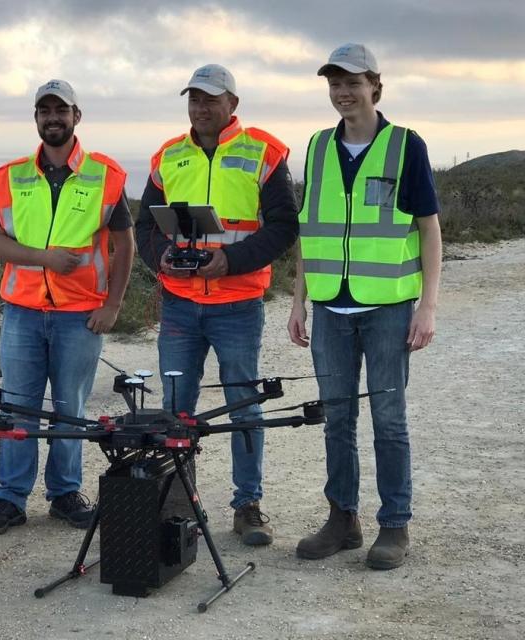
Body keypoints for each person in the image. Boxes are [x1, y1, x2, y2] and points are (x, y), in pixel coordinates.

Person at [288, 43, 442, 569]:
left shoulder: (405, 145)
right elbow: (311, 228)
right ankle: (342, 519)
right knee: (337, 420)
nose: (342, 92)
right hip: (331, 307)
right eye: (334, 83)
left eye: (352, 82)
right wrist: (298, 300)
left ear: (376, 86)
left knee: (389, 420)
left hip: (389, 307)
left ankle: (394, 526)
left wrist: (428, 306)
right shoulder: (316, 147)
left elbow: (429, 228)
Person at [135, 64, 299, 546]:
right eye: (193, 99)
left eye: (210, 99)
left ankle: (247, 505)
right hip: (181, 305)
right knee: (176, 411)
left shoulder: (264, 151)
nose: (200, 107)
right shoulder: (167, 156)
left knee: (243, 407)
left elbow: (283, 227)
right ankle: (176, 501)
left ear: (233, 104)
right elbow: (144, 225)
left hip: (238, 305)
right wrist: (161, 259)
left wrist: (229, 261)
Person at [0, 79, 135, 534]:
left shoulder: (105, 175)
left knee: (70, 408)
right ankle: (9, 499)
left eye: (60, 110)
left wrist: (114, 305)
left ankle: (65, 493)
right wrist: (43, 258)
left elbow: (125, 246)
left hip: (79, 315)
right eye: (44, 111)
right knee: (19, 407)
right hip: (23, 315)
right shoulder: (11, 176)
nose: (53, 118)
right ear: (36, 119)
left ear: (76, 116)